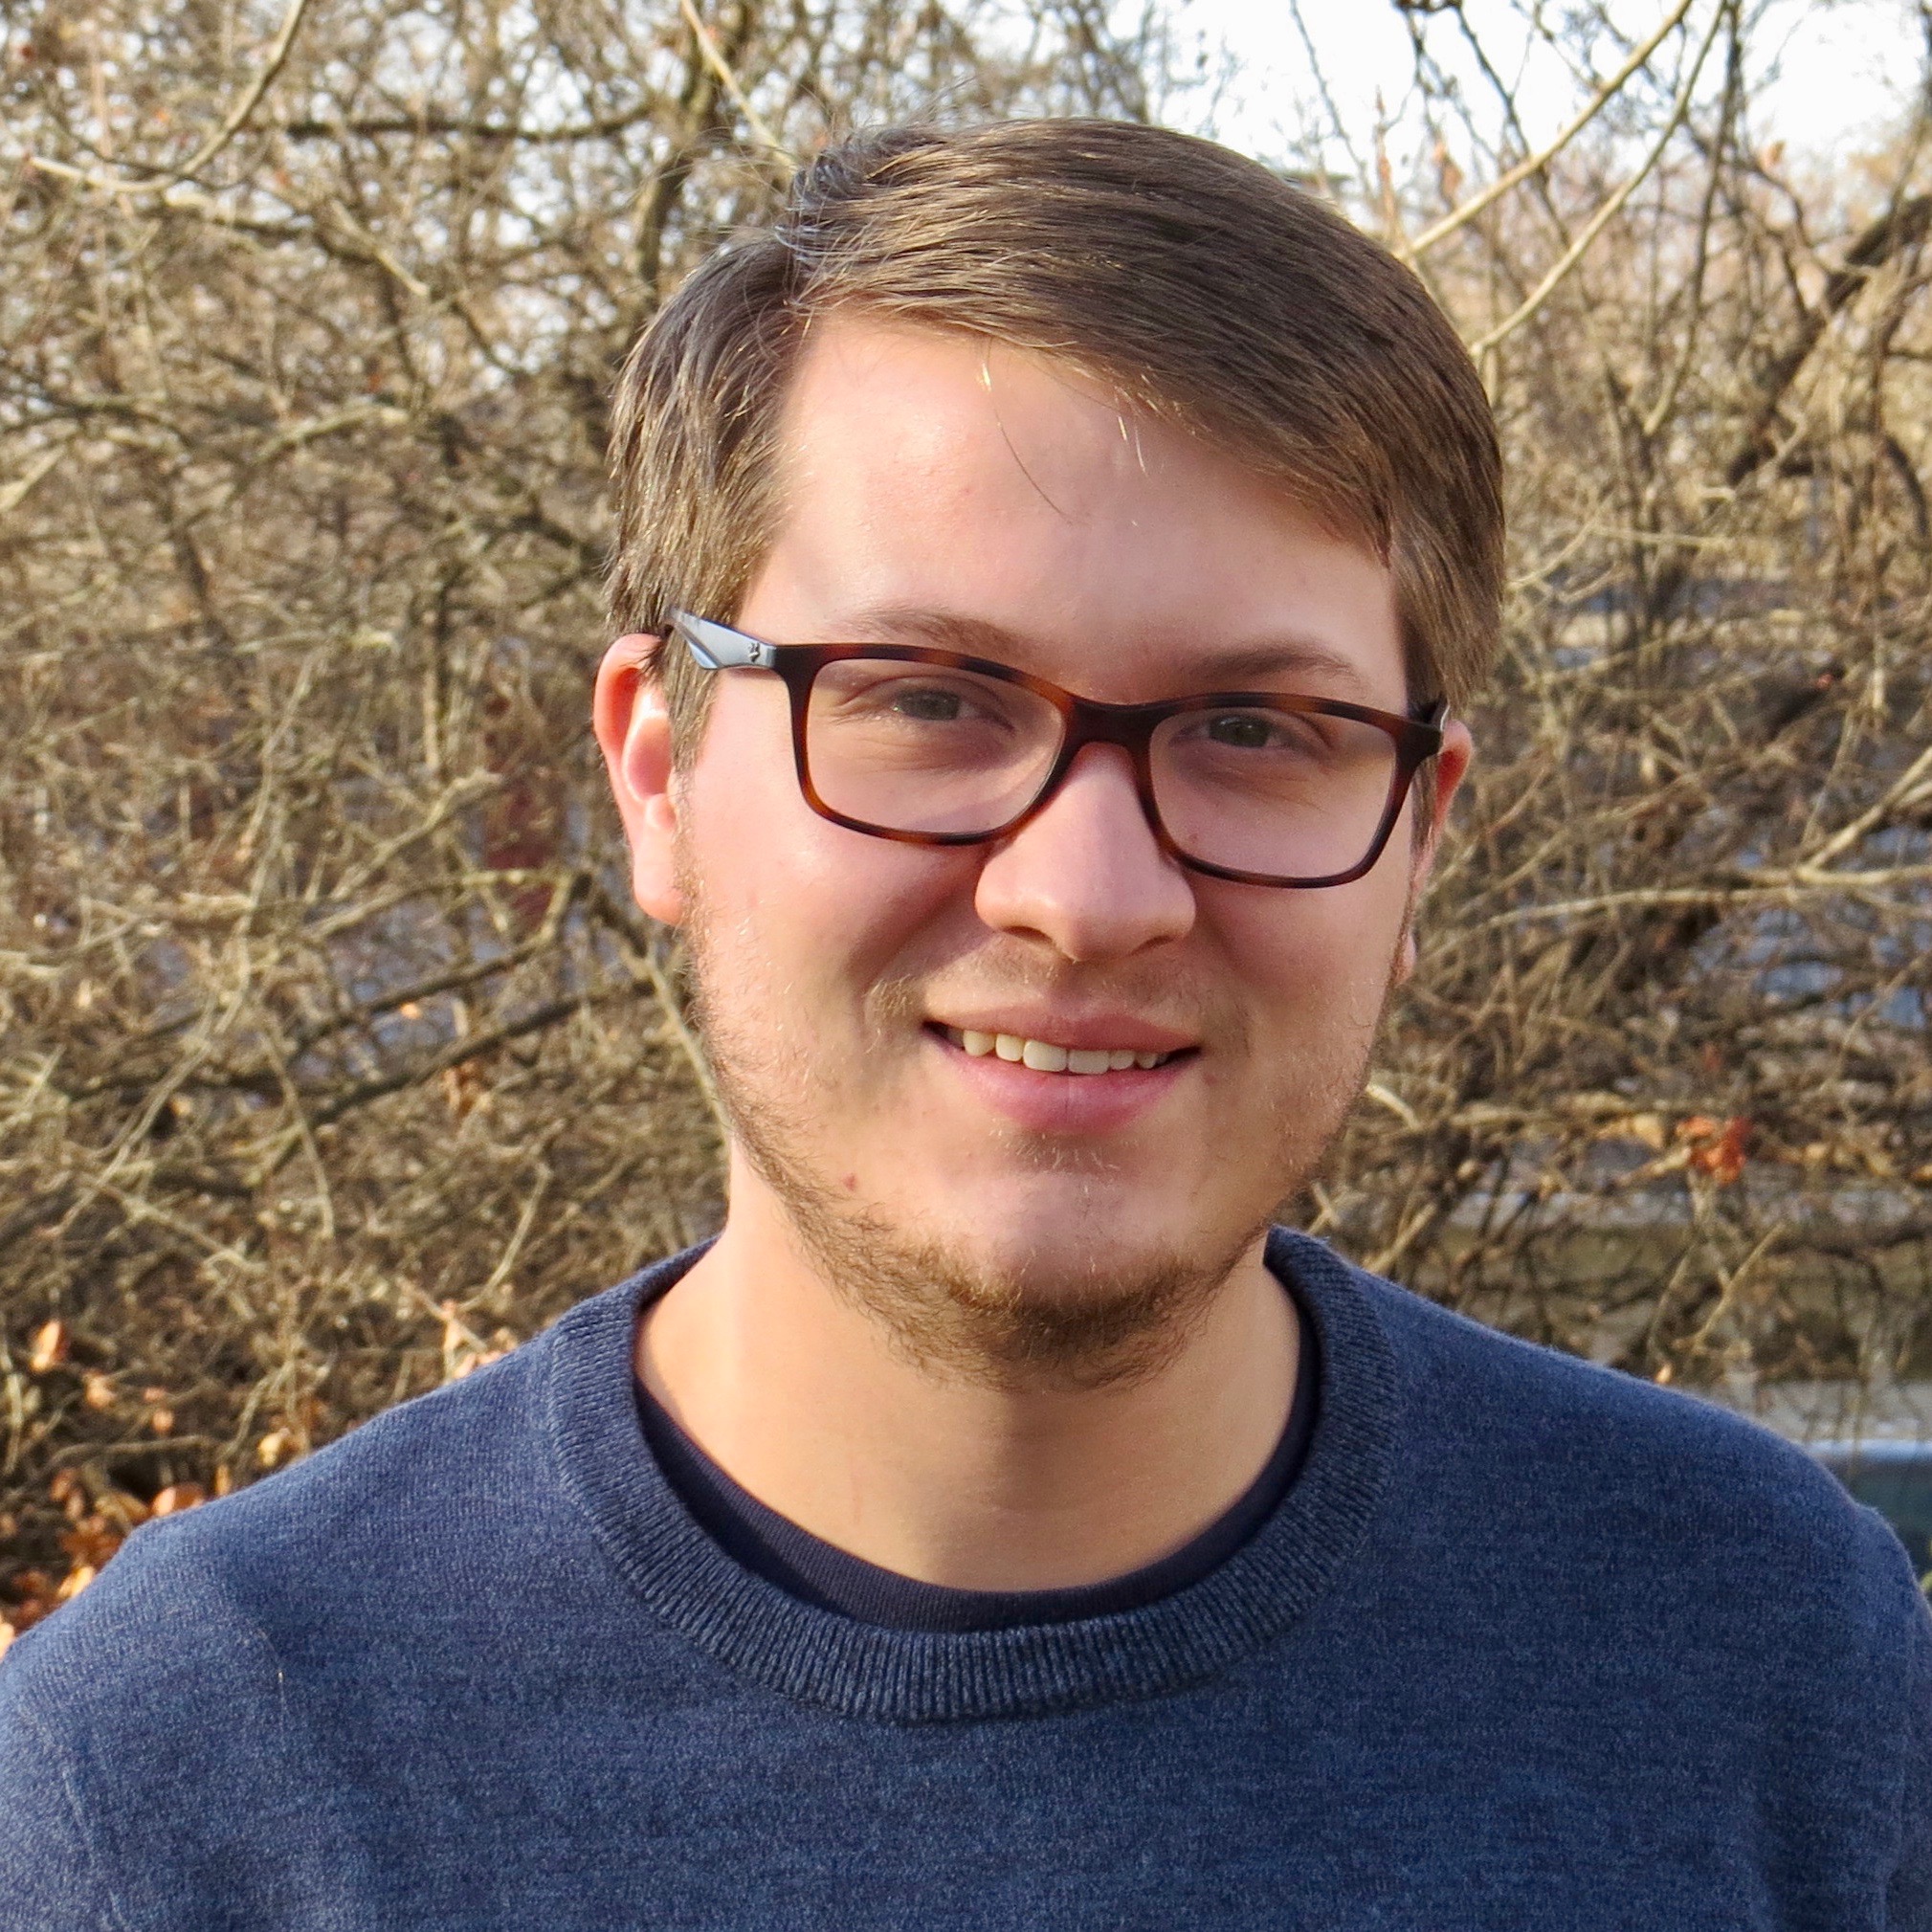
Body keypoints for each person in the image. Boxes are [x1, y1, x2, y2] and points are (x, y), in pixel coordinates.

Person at [2, 118, 1926, 1930]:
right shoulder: (185, 1776)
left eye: (1256, 730)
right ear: (659, 778)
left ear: (1415, 844)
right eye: (927, 699)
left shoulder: (1757, 1659)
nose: (1083, 892)